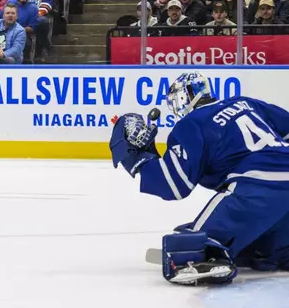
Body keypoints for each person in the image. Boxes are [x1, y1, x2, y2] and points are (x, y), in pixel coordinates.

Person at [109, 71, 289, 286]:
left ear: (183, 98)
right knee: (269, 246)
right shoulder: (245, 103)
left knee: (192, 243)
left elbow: (174, 186)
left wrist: (138, 157)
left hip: (256, 185)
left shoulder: (192, 123)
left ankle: (211, 256)